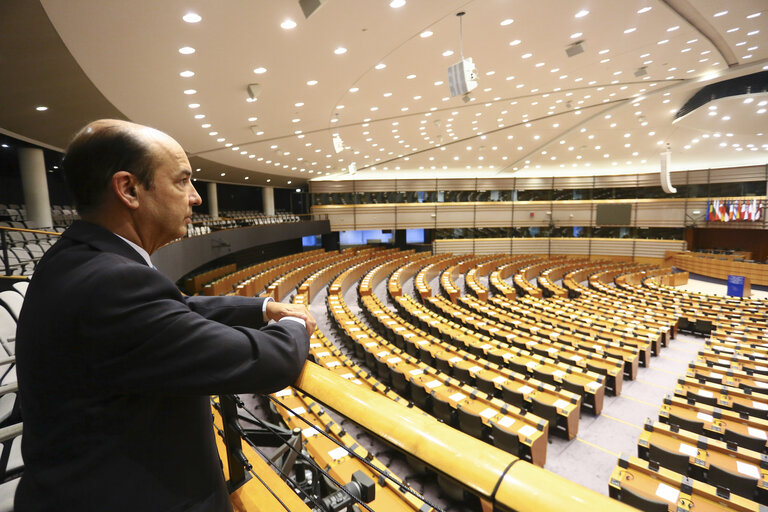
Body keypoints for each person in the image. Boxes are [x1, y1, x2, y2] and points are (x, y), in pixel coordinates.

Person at [14, 119, 315, 511]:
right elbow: (267, 362)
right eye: (182, 181)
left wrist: (262, 307)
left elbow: (174, 309)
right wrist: (295, 322)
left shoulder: (79, 260)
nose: (196, 198)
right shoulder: (113, 283)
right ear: (129, 189)